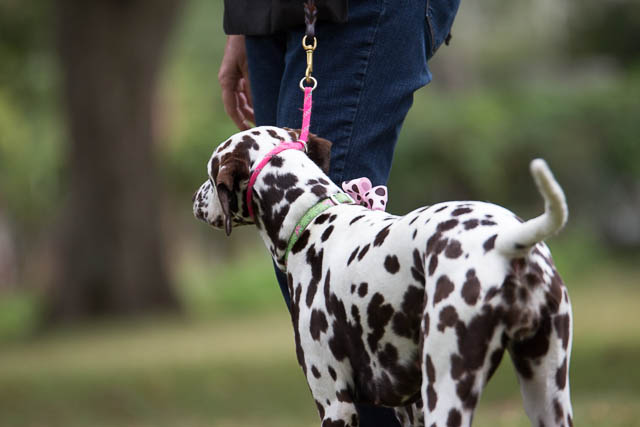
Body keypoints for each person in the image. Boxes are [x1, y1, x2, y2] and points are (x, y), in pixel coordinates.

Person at [218, 1, 460, 425]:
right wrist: (241, 25)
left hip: (357, 8)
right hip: (267, 13)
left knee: (337, 275)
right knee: (304, 266)